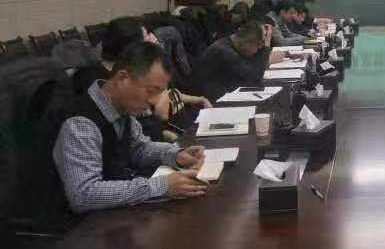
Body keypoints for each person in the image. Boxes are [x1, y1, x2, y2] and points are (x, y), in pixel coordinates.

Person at [52, 42, 208, 213]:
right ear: (122, 78)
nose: (154, 101)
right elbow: (83, 194)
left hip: (115, 211)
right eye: (151, 91)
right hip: (84, 223)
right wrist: (160, 186)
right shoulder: (81, 124)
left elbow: (139, 148)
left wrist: (175, 155)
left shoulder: (121, 108)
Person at [72, 17, 211, 142]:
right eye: (147, 40)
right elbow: (162, 113)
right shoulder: (99, 83)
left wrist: (198, 99)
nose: (154, 41)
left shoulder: (136, 74)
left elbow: (169, 96)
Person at [193, 20, 283, 102]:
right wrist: (266, 46)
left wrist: (265, 54)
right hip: (203, 103)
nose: (258, 50)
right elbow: (255, 80)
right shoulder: (223, 51)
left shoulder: (233, 44)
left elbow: (251, 70)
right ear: (248, 42)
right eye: (259, 46)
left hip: (219, 95)